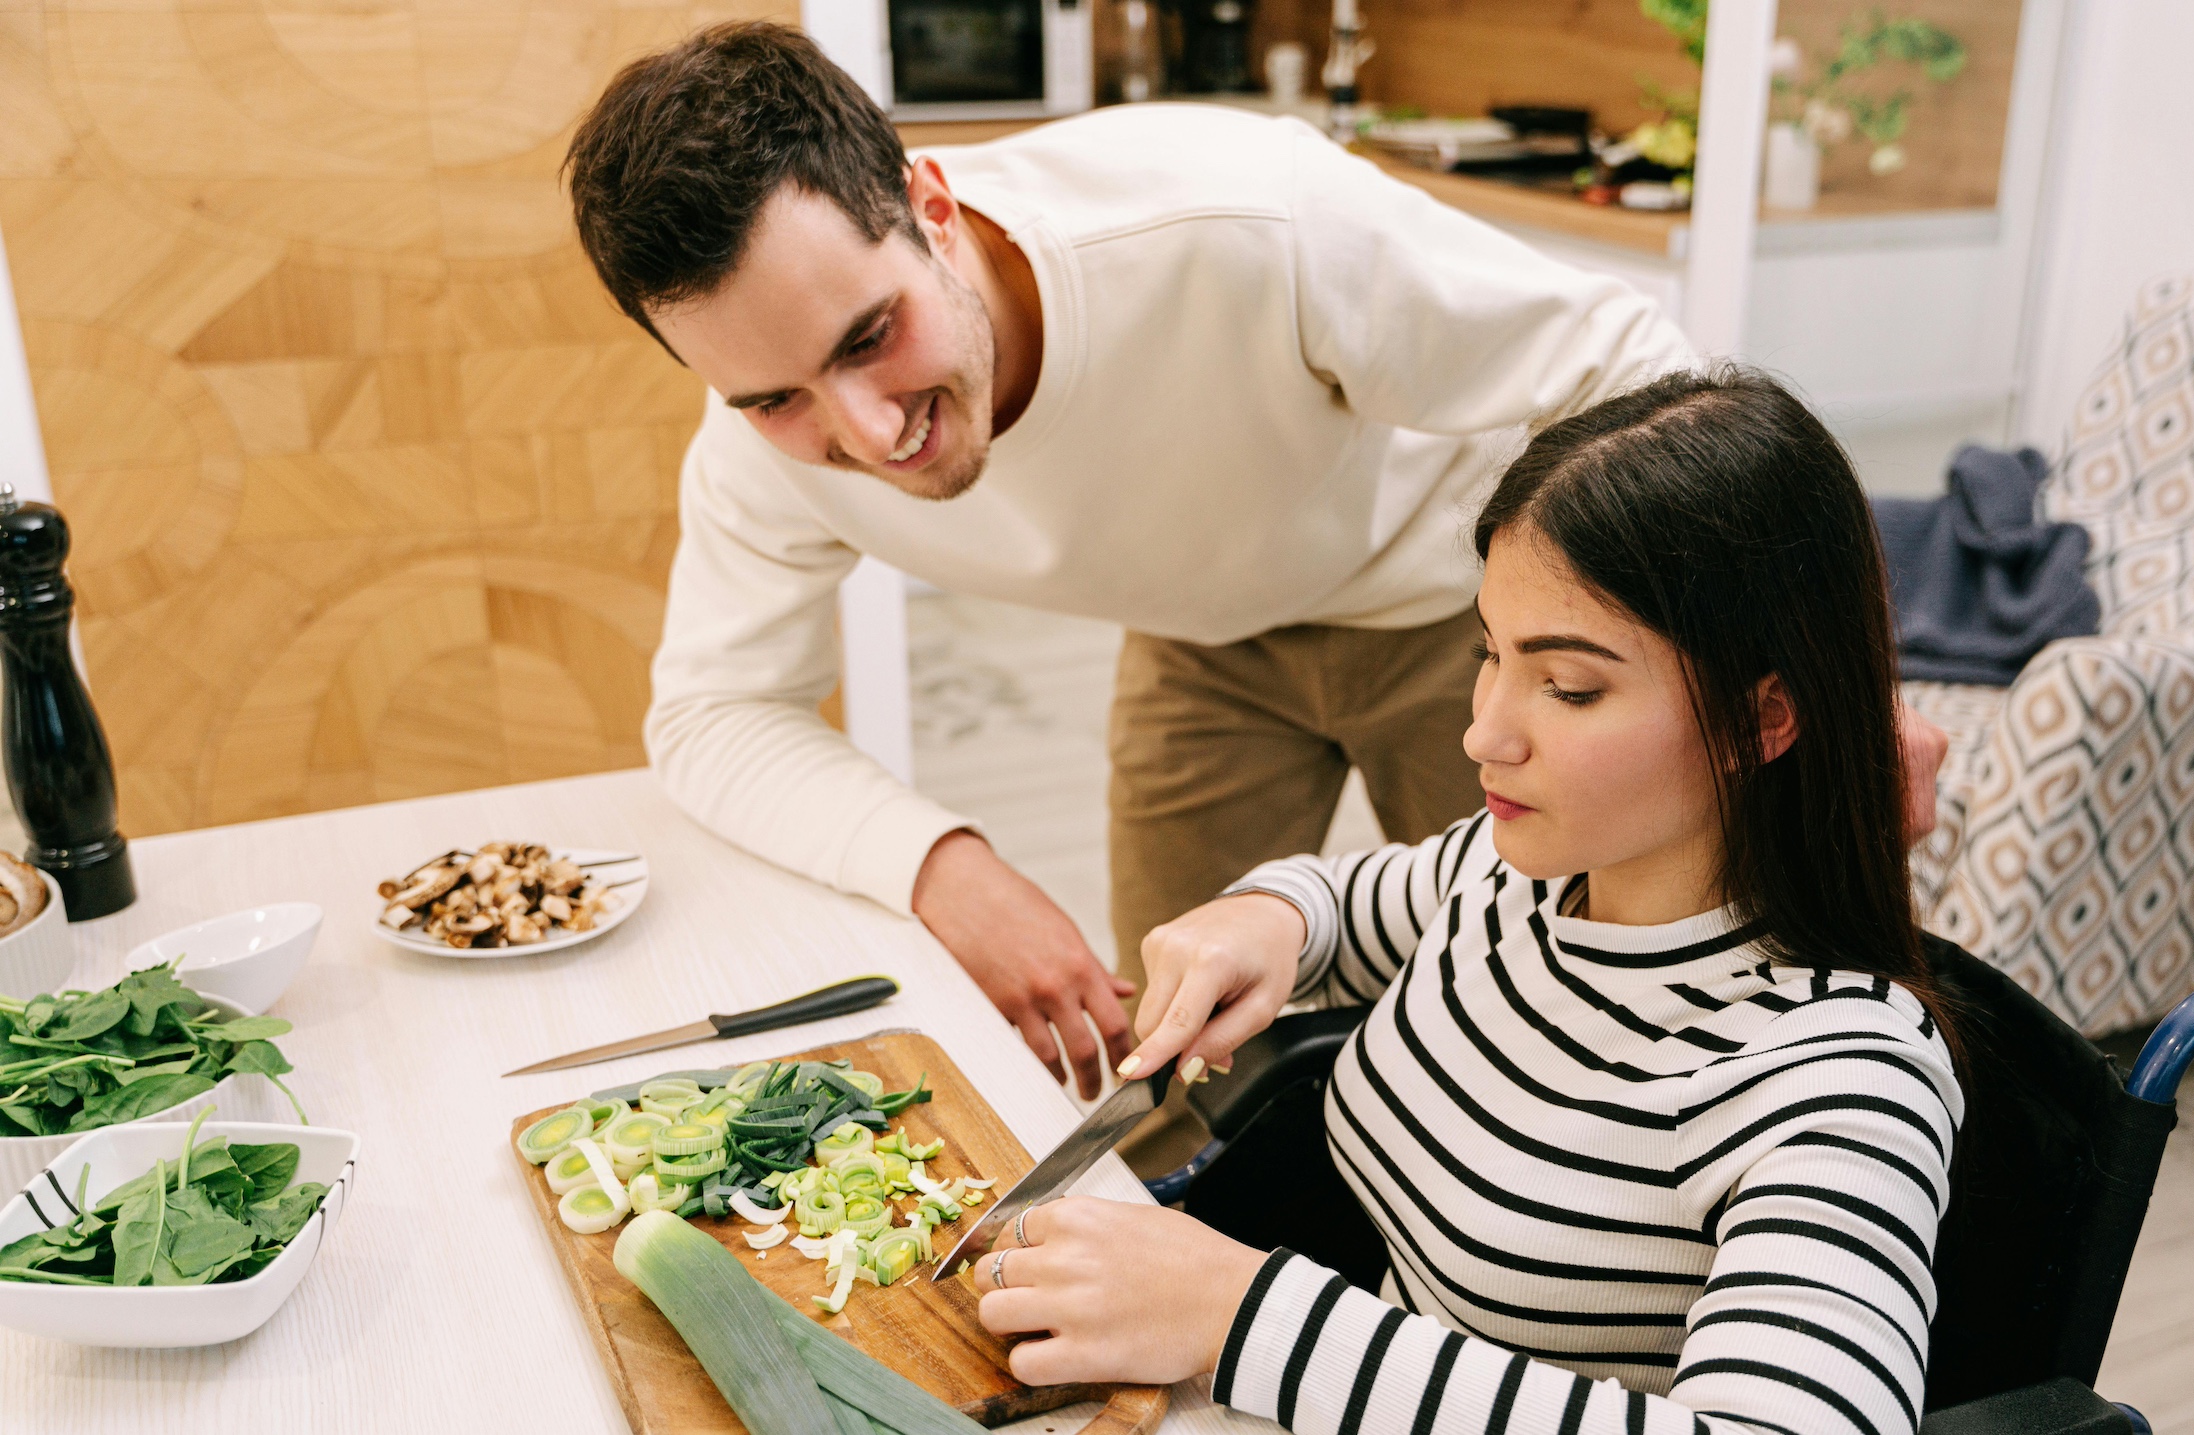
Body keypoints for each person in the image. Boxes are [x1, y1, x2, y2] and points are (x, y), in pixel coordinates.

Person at [563, 23, 1948, 1103]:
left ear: (930, 200)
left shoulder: (1238, 219)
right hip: (1202, 635)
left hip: (1447, 620)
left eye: (870, 338)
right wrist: (947, 867)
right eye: (773, 396)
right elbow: (709, 711)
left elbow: (1642, 373)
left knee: (1572, 1025)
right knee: (1177, 1051)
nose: (865, 435)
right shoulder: (759, 437)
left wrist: (1834, 680)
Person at [966, 368, 1968, 1435]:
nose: (1484, 732)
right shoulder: (1521, 878)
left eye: (1569, 687)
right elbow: (1343, 903)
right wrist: (1260, 920)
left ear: (1763, 718)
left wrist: (1240, 1317)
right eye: (1488, 655)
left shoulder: (1840, 1078)